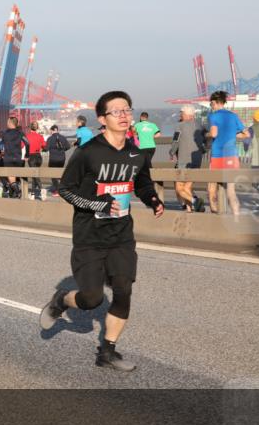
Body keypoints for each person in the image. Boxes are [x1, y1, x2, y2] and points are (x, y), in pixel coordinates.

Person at [39, 90, 164, 372]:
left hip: (121, 236)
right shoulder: (87, 152)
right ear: (102, 118)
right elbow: (66, 190)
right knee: (92, 299)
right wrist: (98, 204)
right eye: (116, 111)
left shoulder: (137, 153)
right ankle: (61, 300)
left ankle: (107, 352)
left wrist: (152, 199)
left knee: (123, 292)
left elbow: (142, 183)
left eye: (127, 110)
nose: (123, 115)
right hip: (89, 237)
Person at [206, 90, 248, 215]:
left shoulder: (213, 116)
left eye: (211, 104)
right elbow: (246, 134)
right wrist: (231, 135)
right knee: (231, 191)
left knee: (211, 188)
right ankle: (236, 215)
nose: (210, 106)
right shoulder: (233, 116)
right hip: (232, 156)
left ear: (215, 102)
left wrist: (205, 134)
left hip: (218, 156)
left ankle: (215, 215)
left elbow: (214, 133)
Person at [168, 105, 206, 212]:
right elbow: (208, 139)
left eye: (181, 113)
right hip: (197, 161)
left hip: (183, 161)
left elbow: (175, 141)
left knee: (179, 188)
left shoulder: (180, 126)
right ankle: (190, 209)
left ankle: (195, 202)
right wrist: (203, 150)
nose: (180, 115)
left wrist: (171, 152)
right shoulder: (200, 126)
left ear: (185, 114)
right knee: (187, 187)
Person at [0, 116, 29, 198]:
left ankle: (18, 192)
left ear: (9, 123)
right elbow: (27, 143)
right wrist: (27, 155)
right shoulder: (20, 133)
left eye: (7, 122)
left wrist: (0, 153)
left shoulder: (4, 133)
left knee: (11, 177)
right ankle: (12, 195)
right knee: (14, 177)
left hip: (8, 158)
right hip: (18, 158)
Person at [44, 125, 71, 197]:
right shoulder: (63, 137)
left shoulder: (50, 138)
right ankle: (63, 188)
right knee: (59, 173)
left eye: (50, 131)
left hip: (53, 159)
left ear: (52, 130)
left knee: (53, 174)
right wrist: (62, 150)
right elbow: (68, 147)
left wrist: (43, 148)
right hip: (62, 158)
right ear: (57, 130)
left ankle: (58, 190)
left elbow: (46, 149)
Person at [25, 121, 46, 199]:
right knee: (35, 176)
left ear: (30, 127)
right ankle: (33, 194)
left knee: (35, 175)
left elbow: (21, 145)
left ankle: (42, 189)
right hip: (39, 157)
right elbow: (44, 146)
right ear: (37, 128)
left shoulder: (27, 136)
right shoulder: (40, 136)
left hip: (31, 156)